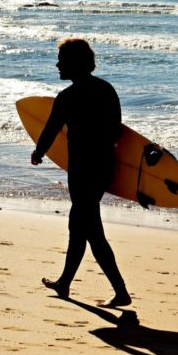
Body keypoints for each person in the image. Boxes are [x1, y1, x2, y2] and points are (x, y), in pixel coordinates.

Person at [31, 38, 132, 308]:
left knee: (90, 230)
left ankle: (121, 291)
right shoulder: (106, 90)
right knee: (78, 226)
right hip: (102, 167)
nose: (57, 64)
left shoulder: (67, 98)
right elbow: (117, 130)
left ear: (76, 62)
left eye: (62, 60)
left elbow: (51, 129)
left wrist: (39, 153)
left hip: (81, 170)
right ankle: (64, 282)